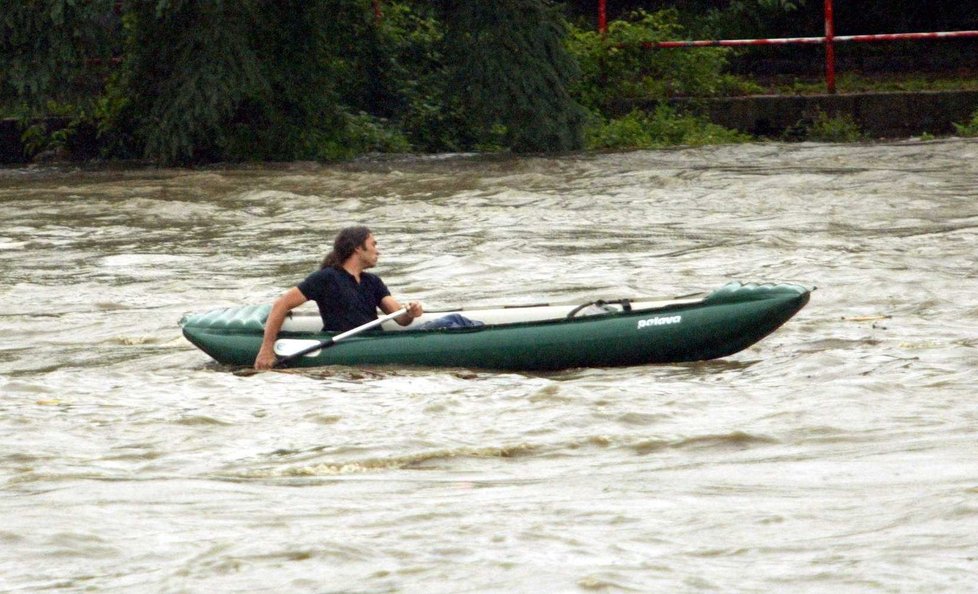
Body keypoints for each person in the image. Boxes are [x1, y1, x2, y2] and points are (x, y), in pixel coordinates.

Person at [253, 226, 423, 370]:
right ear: (358, 248)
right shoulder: (326, 278)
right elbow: (281, 304)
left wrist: (410, 312)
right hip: (341, 345)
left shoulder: (373, 282)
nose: (378, 251)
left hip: (372, 342)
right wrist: (266, 349)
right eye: (373, 244)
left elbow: (400, 318)